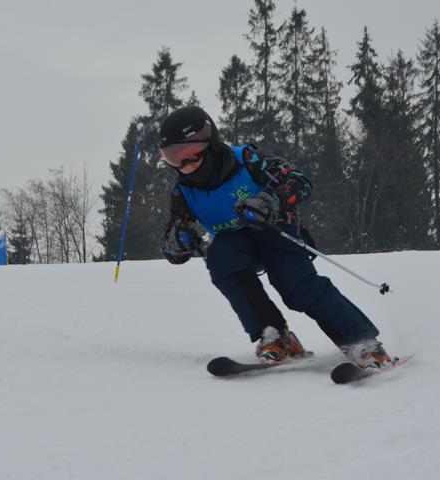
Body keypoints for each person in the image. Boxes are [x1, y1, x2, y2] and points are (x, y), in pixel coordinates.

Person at [159, 106, 394, 369]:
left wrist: (269, 201)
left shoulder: (246, 160)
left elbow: (299, 181)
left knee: (294, 283)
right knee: (220, 256)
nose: (185, 165)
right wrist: (178, 242)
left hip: (275, 230)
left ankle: (361, 341)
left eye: (190, 153)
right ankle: (274, 334)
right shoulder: (183, 192)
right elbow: (172, 246)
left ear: (210, 141)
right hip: (237, 247)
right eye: (173, 158)